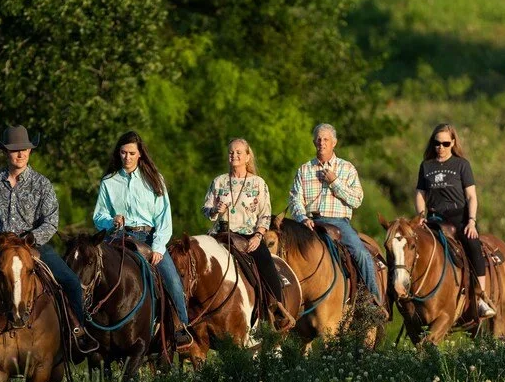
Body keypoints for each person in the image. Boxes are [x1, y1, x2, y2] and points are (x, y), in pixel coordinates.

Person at [0, 125, 88, 335]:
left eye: (24, 149)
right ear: (5, 152)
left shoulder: (42, 184)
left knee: (71, 282)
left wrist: (30, 239)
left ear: (30, 151)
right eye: (14, 150)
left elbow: (51, 221)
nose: (20, 154)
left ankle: (78, 332)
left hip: (33, 246)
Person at [92, 131, 194, 347]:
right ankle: (87, 328)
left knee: (173, 280)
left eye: (131, 153)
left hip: (149, 238)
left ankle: (180, 328)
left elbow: (164, 217)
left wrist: (158, 248)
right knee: (93, 274)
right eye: (122, 152)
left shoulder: (154, 179)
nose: (126, 157)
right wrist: (111, 221)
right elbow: (98, 216)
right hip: (119, 236)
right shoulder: (109, 182)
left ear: (140, 155)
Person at [202, 138, 295, 330]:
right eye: (231, 152)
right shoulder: (218, 181)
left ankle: (278, 310)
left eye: (238, 153)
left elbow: (265, 214)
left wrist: (258, 237)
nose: (234, 156)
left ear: (247, 156)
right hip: (220, 234)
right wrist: (215, 209)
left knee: (266, 262)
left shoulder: (258, 183)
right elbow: (206, 209)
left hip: (247, 236)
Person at [288, 123, 384, 306]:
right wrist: (302, 218)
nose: (321, 143)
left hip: (338, 223)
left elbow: (357, 200)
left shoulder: (347, 169)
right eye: (318, 139)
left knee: (361, 253)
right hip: (310, 222)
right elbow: (294, 199)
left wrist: (335, 182)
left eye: (326, 140)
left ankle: (374, 303)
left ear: (334, 143)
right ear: (314, 142)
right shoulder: (304, 170)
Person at [415, 123, 496, 318]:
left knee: (472, 244)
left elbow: (471, 196)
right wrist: (420, 216)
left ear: (452, 143)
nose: (440, 148)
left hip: (458, 216)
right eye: (437, 143)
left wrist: (471, 221)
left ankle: (480, 297)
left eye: (445, 143)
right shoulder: (426, 166)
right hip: (434, 217)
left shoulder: (462, 164)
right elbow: (420, 193)